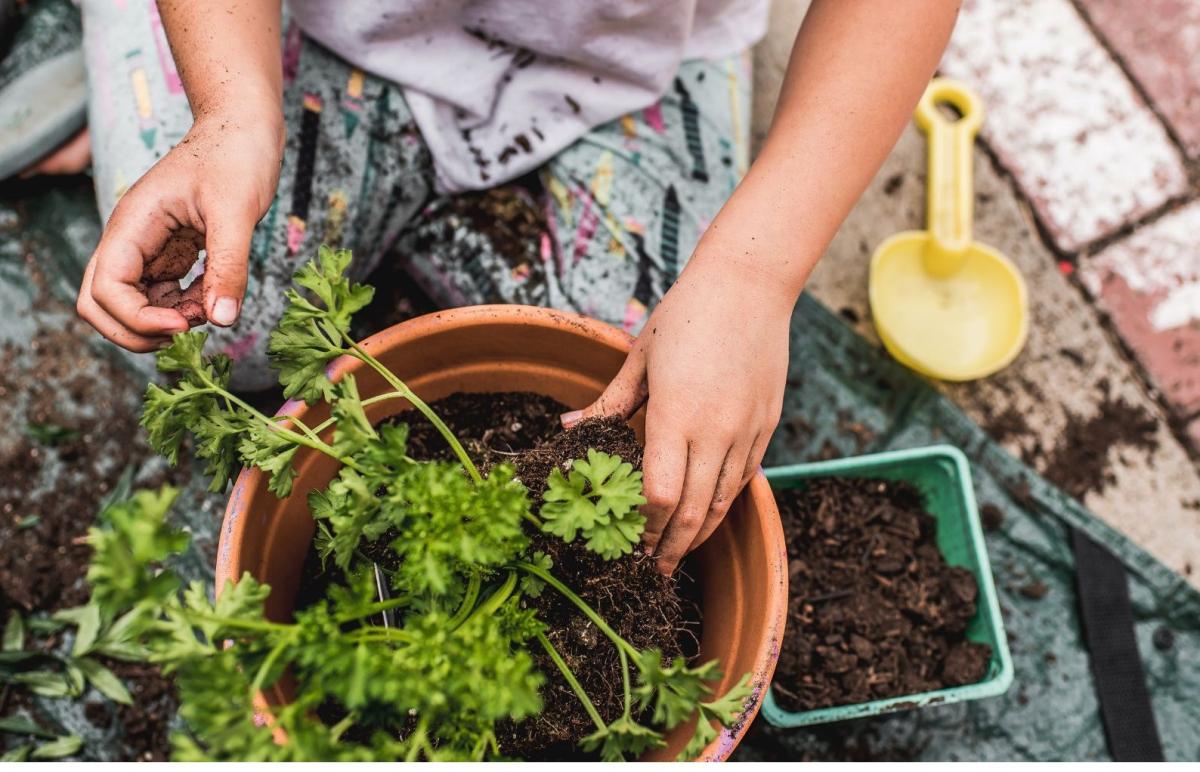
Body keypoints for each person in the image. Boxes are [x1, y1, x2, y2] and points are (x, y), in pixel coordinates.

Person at [68, 0, 960, 573]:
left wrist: (754, 276)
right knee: (215, 319)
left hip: (631, 49)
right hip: (312, 22)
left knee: (641, 397)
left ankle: (429, 198)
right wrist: (231, 112)